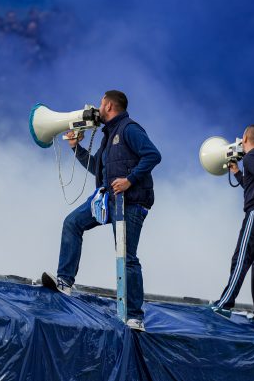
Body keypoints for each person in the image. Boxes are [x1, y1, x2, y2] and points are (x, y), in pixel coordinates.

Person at [52, 90, 161, 331]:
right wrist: (76, 148)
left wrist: (129, 180)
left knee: (127, 256)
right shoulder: (108, 135)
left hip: (130, 203)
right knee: (72, 223)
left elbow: (153, 155)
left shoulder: (130, 129)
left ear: (109, 106)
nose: (98, 108)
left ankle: (135, 317)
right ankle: (64, 282)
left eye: (101, 103)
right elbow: (98, 169)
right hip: (108, 200)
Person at [211, 124, 254, 321]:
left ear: (245, 138)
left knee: (241, 258)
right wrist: (236, 172)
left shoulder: (251, 158)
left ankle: (225, 303)